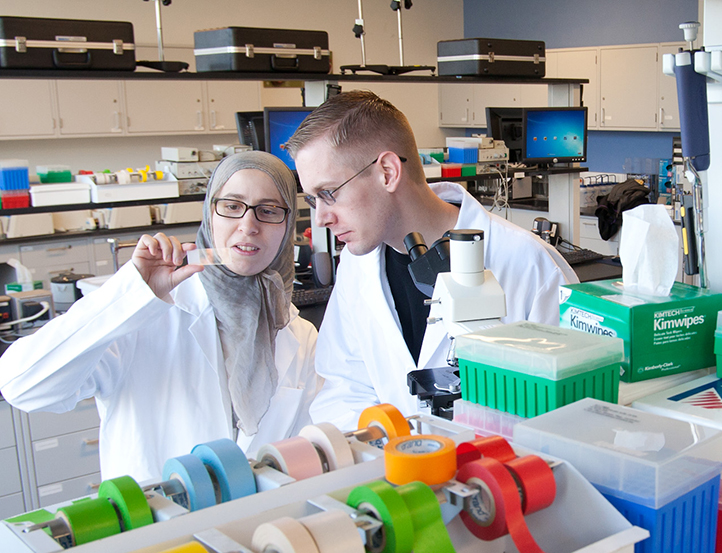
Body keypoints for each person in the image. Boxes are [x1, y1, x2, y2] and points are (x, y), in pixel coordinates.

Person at [0, 151, 320, 482]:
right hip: (156, 526)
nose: (248, 226)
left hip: (254, 527)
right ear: (210, 214)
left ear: (287, 225)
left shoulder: (300, 335)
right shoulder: (143, 316)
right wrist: (131, 294)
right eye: (232, 206)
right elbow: (21, 386)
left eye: (268, 211)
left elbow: (309, 454)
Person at [286, 90, 577, 430]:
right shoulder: (356, 264)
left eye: (329, 193)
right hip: (398, 474)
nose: (320, 218)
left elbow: (566, 414)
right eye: (312, 199)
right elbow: (344, 387)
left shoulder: (531, 266)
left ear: (387, 172)